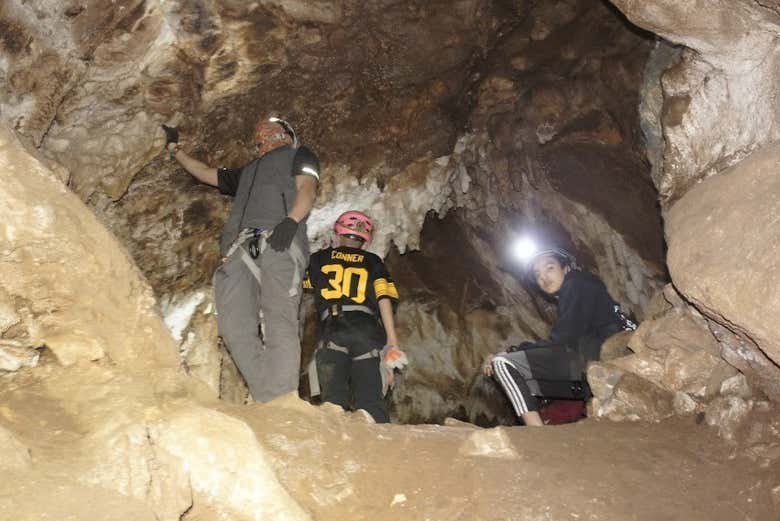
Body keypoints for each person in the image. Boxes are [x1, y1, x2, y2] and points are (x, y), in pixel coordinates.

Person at [163, 118, 320, 402]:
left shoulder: (300, 155)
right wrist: (175, 149)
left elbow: (307, 188)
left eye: (273, 129)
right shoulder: (246, 172)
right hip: (238, 250)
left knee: (279, 318)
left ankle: (283, 401)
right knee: (233, 326)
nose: (265, 133)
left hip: (280, 239)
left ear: (286, 135)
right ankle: (268, 397)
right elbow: (204, 173)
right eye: (260, 132)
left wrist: (290, 221)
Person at [483, 245, 635, 426]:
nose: (543, 277)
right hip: (593, 371)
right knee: (524, 381)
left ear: (566, 268)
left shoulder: (576, 282)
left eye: (550, 268)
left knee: (503, 365)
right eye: (537, 274)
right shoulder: (584, 288)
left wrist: (511, 351)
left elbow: (562, 340)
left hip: (597, 362)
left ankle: (537, 432)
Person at [302, 211, 403, 423]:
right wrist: (392, 343)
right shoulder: (373, 260)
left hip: (331, 331)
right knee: (371, 402)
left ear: (337, 234)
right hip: (365, 330)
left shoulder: (318, 259)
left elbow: (301, 287)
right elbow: (384, 298)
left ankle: (336, 447)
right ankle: (375, 446)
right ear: (365, 241)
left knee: (332, 403)